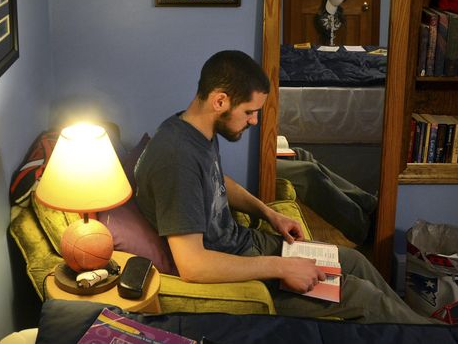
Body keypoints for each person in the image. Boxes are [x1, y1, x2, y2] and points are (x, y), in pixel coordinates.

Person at [134, 50, 435, 324]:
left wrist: (270, 214)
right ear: (220, 100)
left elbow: (217, 181)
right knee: (363, 297)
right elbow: (194, 266)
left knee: (354, 261)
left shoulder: (193, 130)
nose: (253, 122)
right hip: (236, 274)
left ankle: (422, 329)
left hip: (245, 244)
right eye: (249, 112)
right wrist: (281, 267)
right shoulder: (175, 158)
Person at [277, 147, 377, 245]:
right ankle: (364, 230)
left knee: (301, 154)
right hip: (262, 163)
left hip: (264, 154)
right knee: (308, 173)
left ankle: (371, 205)